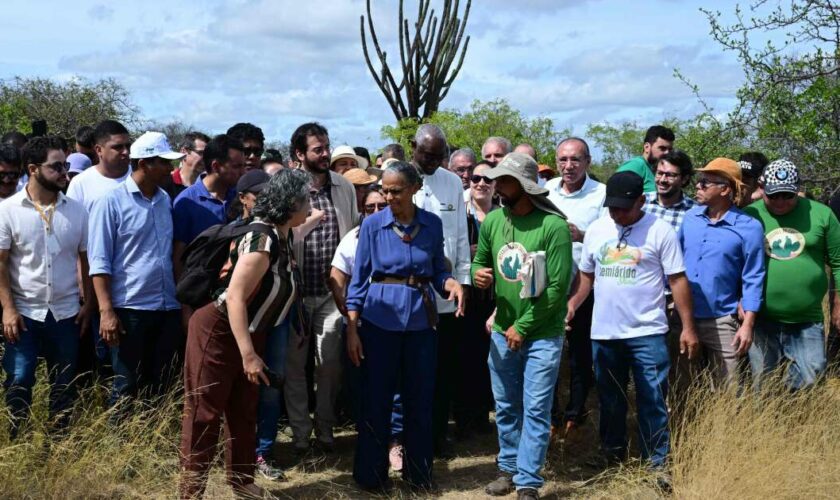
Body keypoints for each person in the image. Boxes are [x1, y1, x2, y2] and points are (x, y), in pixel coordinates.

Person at [180, 169, 310, 499]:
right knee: (204, 413)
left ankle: (241, 482)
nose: (310, 203)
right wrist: (248, 354)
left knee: (243, 410)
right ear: (288, 204)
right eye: (305, 199)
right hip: (219, 332)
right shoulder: (262, 240)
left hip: (249, 333)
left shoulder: (282, 234)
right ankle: (190, 491)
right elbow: (235, 297)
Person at [345, 161, 464, 491]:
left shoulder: (432, 225)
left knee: (420, 399)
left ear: (414, 189)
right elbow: (358, 280)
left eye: (396, 191)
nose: (389, 196)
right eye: (385, 190)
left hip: (420, 323)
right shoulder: (372, 226)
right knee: (377, 400)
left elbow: (438, 270)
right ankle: (371, 476)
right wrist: (353, 327)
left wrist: (450, 283)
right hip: (378, 320)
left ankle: (419, 473)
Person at [568, 171, 698, 471]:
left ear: (642, 200)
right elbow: (587, 274)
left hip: (647, 332)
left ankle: (657, 462)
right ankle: (612, 455)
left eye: (624, 208)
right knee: (610, 399)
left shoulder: (659, 230)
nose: (617, 214)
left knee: (651, 398)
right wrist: (572, 305)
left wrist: (688, 328)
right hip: (604, 332)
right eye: (612, 207)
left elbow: (677, 279)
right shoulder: (599, 229)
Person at [471, 153, 571, 499]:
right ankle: (509, 469)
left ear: (525, 186)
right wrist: (477, 275)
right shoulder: (493, 221)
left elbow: (556, 289)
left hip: (542, 335)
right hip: (503, 332)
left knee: (536, 408)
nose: (496, 185)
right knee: (507, 406)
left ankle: (528, 480)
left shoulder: (553, 227)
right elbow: (480, 262)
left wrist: (523, 326)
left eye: (504, 180)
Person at [0, 136, 92, 438]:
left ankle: (58, 446)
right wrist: (8, 310)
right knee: (19, 379)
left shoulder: (77, 211)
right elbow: (1, 264)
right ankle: (17, 441)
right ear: (33, 168)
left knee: (64, 383)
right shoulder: (8, 210)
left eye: (66, 166)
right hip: (24, 313)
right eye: (56, 167)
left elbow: (85, 261)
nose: (65, 173)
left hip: (65, 313)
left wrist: (88, 303)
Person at [88, 131, 184, 414]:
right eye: (164, 163)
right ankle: (120, 448)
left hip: (166, 306)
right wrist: (106, 311)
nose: (170, 169)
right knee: (125, 383)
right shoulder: (111, 202)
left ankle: (151, 444)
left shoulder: (165, 199)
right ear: (144, 163)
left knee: (160, 381)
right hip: (130, 308)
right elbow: (99, 260)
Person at [286, 122, 358, 454]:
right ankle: (301, 433)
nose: (325, 153)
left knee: (329, 363)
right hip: (295, 295)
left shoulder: (343, 186)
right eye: (318, 149)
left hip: (333, 293)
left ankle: (325, 428)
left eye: (327, 146)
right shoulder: (288, 188)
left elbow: (353, 234)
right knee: (294, 367)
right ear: (300, 154)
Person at [744, 159, 840, 390]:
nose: (780, 201)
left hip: (806, 318)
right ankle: (766, 425)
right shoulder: (748, 215)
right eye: (773, 195)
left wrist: (838, 304)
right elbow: (737, 264)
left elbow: (838, 263)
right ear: (762, 188)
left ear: (798, 189)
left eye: (787, 195)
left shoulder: (822, 214)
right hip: (761, 318)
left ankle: (798, 420)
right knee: (763, 383)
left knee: (811, 376)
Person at [410, 124, 472, 455]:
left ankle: (438, 434)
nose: (433, 162)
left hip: (446, 294)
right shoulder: (398, 178)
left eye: (439, 156)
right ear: (413, 148)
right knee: (412, 371)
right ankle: (408, 436)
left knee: (443, 368)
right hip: (409, 294)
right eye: (427, 155)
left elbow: (460, 237)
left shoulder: (451, 182)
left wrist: (463, 283)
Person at [679, 158, 765, 388]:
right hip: (683, 317)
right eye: (699, 181)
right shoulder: (690, 219)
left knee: (729, 389)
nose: (698, 186)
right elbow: (674, 265)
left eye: (705, 182)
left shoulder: (749, 227)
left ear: (725, 189)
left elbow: (754, 277)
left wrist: (747, 324)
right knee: (683, 386)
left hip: (722, 320)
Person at [545, 137, 606, 437]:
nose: (568, 166)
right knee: (550, 348)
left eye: (575, 160)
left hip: (586, 284)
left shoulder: (601, 194)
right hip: (550, 283)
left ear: (587, 162)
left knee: (581, 351)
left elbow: (608, 238)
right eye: (563, 160)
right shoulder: (546, 191)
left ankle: (576, 411)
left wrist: (582, 235)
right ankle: (552, 414)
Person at [453, 162, 498, 440]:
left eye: (487, 179)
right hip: (466, 295)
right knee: (465, 358)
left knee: (489, 359)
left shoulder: (504, 215)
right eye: (476, 178)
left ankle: (483, 416)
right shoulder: (460, 213)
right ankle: (464, 419)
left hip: (496, 297)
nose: (480, 183)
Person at [172, 134, 244, 277]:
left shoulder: (241, 197)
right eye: (237, 166)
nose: (242, 172)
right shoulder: (187, 202)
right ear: (216, 166)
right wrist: (185, 296)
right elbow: (177, 257)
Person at [66, 120, 131, 213]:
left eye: (128, 146)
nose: (125, 152)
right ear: (99, 150)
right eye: (118, 147)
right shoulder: (79, 183)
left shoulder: (140, 178)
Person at [643, 150, 696, 232]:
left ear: (684, 179)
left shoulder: (694, 212)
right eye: (660, 173)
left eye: (670, 175)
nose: (663, 180)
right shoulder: (640, 202)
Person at [615, 125, 675, 193]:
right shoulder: (635, 165)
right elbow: (616, 195)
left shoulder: (658, 171)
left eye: (670, 149)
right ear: (647, 147)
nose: (667, 153)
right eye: (662, 148)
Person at [162, 131, 209, 200]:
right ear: (184, 151)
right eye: (201, 153)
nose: (206, 158)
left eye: (208, 154)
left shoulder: (210, 187)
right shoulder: (166, 185)